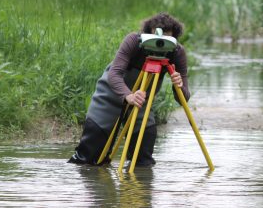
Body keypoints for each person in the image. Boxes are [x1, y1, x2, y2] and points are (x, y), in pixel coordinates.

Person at [68, 12, 190, 166]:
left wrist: (177, 85)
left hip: (140, 104)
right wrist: (128, 95)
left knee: (143, 162)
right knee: (87, 159)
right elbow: (115, 73)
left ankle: (136, 190)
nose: (159, 46)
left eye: (166, 41)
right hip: (109, 98)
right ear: (147, 33)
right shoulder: (134, 41)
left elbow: (183, 99)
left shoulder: (177, 52)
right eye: (156, 39)